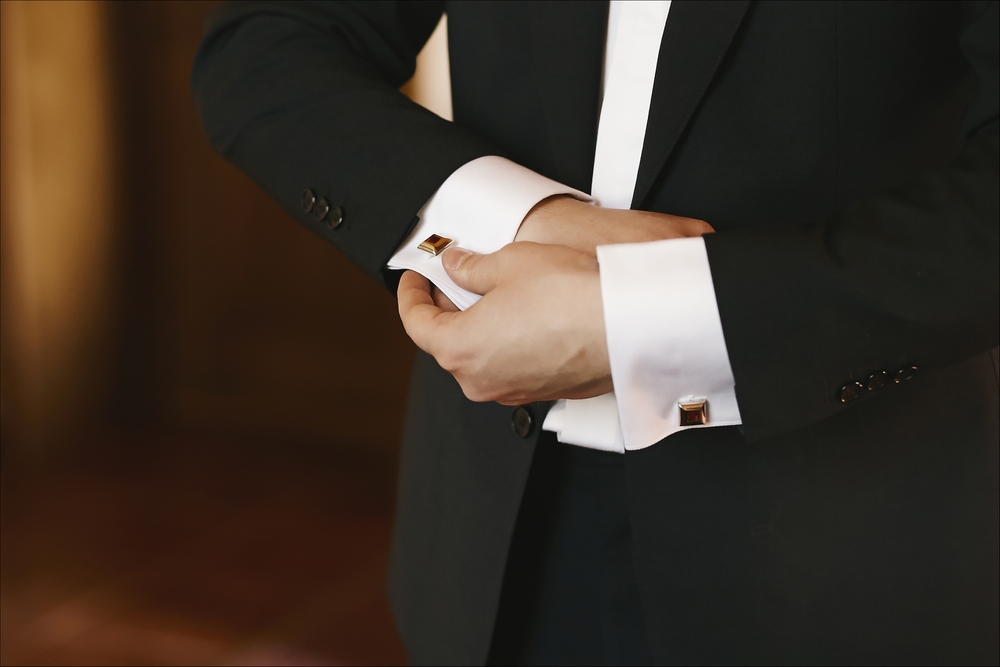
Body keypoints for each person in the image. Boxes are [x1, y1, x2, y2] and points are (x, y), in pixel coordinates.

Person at [192, 2, 999, 664]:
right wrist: (522, 223)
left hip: (840, 548)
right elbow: (267, 39)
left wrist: (657, 313)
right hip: (492, 535)